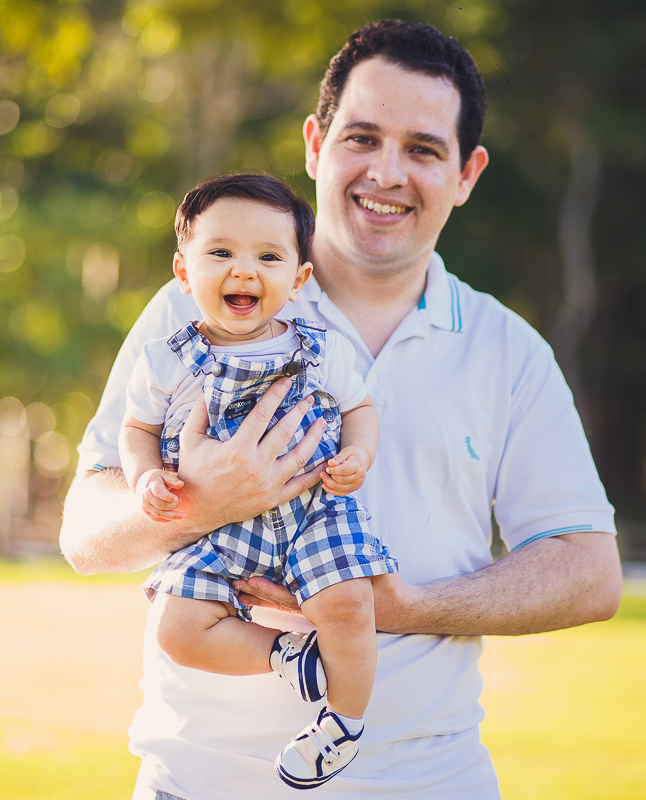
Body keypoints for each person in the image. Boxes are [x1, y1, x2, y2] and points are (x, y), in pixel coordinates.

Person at [62, 19, 622, 800]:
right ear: (315, 144)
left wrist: (406, 606)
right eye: (361, 138)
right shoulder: (195, 304)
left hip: (430, 781)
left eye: (424, 149)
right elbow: (85, 533)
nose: (386, 173)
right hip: (200, 781)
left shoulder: (507, 350)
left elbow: (590, 573)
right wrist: (200, 502)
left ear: (467, 173)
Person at [119, 173, 397, 788]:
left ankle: (341, 726)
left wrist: (360, 456)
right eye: (220, 253)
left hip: (313, 507)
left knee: (350, 603)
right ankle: (286, 658)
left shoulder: (321, 351)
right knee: (176, 626)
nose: (244, 271)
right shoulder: (165, 357)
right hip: (217, 524)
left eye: (268, 257)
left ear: (298, 280)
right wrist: (144, 482)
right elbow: (136, 431)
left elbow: (360, 410)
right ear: (184, 272)